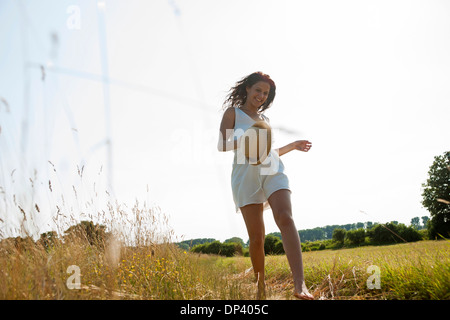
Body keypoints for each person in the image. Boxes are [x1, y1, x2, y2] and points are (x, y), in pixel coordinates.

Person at [217, 71, 314, 300]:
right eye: (258, 90)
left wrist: (292, 146)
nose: (261, 96)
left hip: (271, 168)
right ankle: (261, 290)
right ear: (248, 89)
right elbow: (222, 145)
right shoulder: (233, 113)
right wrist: (249, 138)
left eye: (266, 93)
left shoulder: (265, 120)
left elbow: (268, 151)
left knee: (285, 217)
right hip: (245, 175)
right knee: (257, 237)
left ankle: (300, 285)